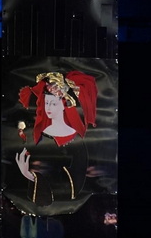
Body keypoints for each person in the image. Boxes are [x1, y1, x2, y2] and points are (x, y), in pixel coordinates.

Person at [8, 71, 98, 215]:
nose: (49, 107)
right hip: (30, 206)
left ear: (63, 105)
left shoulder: (74, 140)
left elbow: (75, 179)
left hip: (64, 207)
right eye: (47, 103)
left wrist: (32, 176)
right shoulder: (38, 134)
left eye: (53, 103)